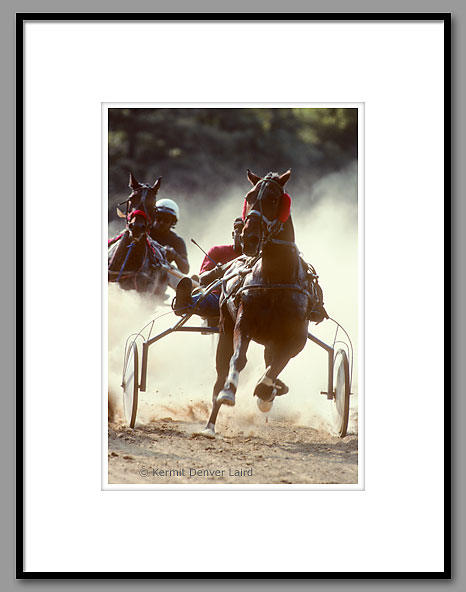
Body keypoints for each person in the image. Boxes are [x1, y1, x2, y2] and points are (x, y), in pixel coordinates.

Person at [173, 218, 244, 318]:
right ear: (233, 234)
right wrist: (217, 271)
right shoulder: (217, 251)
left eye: (246, 231)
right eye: (239, 231)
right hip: (220, 297)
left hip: (246, 298)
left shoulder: (257, 257)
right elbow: (202, 279)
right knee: (213, 299)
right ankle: (185, 303)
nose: (243, 235)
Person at [149, 198, 189, 288]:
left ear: (173, 223)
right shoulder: (144, 233)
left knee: (168, 267)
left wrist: (175, 256)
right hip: (137, 270)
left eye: (166, 220)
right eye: (158, 218)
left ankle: (187, 293)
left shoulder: (177, 241)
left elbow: (185, 269)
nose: (161, 222)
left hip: (159, 277)